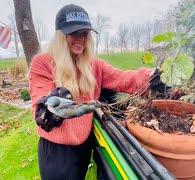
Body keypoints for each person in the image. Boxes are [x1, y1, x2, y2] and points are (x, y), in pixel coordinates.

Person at [29, 4, 166, 180]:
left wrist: (152, 77)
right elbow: (40, 105)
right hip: (57, 152)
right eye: (74, 33)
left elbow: (123, 78)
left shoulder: (94, 65)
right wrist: (53, 103)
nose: (81, 39)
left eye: (85, 33)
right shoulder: (43, 63)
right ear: (61, 36)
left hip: (83, 147)